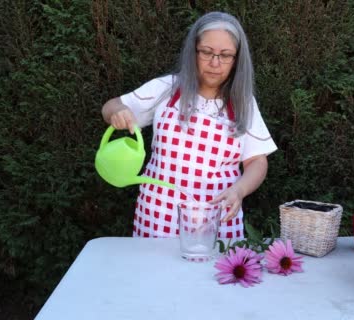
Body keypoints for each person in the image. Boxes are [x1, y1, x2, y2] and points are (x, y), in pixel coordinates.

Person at [101, 11, 277, 239]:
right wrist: (117, 112)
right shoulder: (166, 88)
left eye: (225, 55)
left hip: (218, 219)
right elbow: (111, 106)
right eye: (206, 52)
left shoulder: (243, 103)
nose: (215, 63)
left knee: (214, 275)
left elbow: (257, 162)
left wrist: (239, 190)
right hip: (158, 217)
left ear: (237, 60)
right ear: (193, 51)